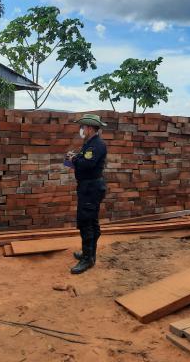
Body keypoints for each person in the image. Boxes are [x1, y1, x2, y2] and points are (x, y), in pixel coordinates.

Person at [66, 114, 107, 274]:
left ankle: (87, 259)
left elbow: (88, 164)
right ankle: (89, 254)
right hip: (88, 187)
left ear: (89, 128)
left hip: (91, 188)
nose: (81, 130)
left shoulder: (96, 145)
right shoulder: (90, 143)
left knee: (86, 223)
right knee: (91, 221)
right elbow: (85, 160)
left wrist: (74, 159)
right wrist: (77, 157)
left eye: (82, 127)